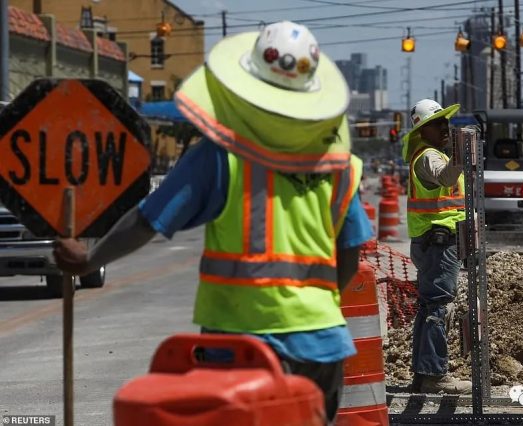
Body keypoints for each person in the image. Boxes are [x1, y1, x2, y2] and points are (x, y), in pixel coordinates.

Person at [53, 21, 372, 423]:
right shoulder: (338, 164)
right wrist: (313, 310)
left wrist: (89, 259)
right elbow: (348, 255)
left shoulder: (222, 156)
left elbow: (146, 222)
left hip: (239, 348)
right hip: (322, 346)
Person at [401, 98, 471, 394]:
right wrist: (461, 151)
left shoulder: (431, 154)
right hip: (438, 242)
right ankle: (433, 374)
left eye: (445, 122)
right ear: (422, 130)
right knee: (438, 307)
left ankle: (424, 373)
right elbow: (444, 177)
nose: (444, 127)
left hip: (433, 242)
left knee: (430, 305)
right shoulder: (429, 157)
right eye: (436, 123)